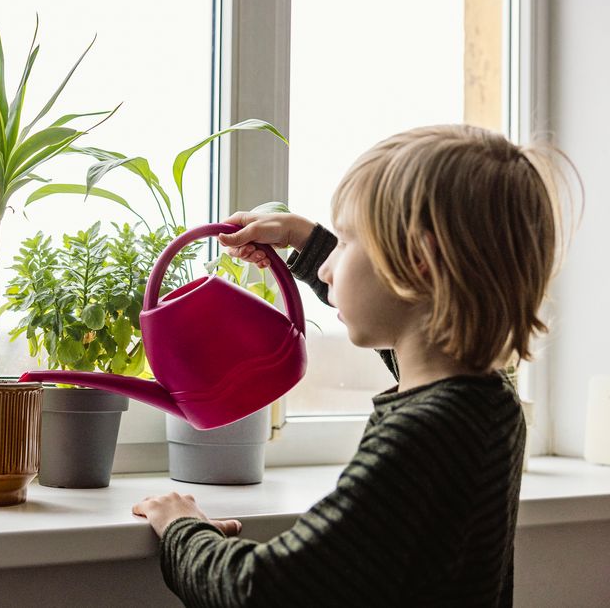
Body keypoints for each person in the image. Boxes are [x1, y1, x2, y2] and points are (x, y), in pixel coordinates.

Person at [132, 124, 579, 607]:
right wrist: (307, 241)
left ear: (418, 259)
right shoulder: (490, 402)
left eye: (346, 244)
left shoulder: (421, 436)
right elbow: (412, 342)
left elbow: (261, 591)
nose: (327, 269)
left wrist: (182, 528)